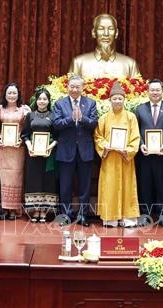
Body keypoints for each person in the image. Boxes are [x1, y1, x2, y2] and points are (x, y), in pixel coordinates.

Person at [52, 74, 99, 226]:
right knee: (65, 186)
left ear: (82, 88)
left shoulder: (90, 103)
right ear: (67, 87)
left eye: (77, 87)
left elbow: (94, 123)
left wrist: (82, 118)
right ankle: (66, 215)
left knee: (85, 186)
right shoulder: (60, 104)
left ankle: (83, 215)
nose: (74, 89)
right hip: (66, 150)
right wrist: (70, 119)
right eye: (72, 86)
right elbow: (56, 124)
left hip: (85, 150)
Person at [94, 82, 141, 227]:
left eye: (120, 98)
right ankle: (110, 218)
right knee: (109, 187)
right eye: (115, 98)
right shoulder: (103, 118)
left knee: (127, 187)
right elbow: (98, 136)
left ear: (124, 100)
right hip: (110, 158)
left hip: (125, 158)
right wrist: (105, 146)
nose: (117, 101)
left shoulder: (131, 117)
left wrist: (128, 150)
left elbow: (135, 137)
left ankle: (128, 218)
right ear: (110, 100)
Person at [134, 79, 163, 227]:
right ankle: (145, 215)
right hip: (145, 155)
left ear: (162, 91)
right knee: (145, 185)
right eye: (152, 90)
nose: (155, 92)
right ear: (147, 91)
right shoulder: (140, 109)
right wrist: (141, 144)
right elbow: (136, 131)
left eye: (157, 90)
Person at [0, 82, 31, 220]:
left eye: (14, 93)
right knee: (3, 176)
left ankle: (15, 209)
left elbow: (27, 128)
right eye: (9, 93)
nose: (11, 95)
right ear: (5, 94)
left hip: (17, 147)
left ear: (18, 94)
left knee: (16, 176)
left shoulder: (24, 109)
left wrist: (21, 140)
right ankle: (5, 208)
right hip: (3, 148)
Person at [22, 87, 59, 222]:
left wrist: (50, 147)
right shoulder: (30, 115)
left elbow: (57, 136)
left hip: (48, 154)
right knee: (34, 180)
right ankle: (35, 210)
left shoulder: (53, 116)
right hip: (33, 154)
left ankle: (44, 210)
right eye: (40, 99)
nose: (42, 101)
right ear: (36, 100)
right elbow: (25, 134)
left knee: (47, 180)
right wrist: (29, 146)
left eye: (45, 99)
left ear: (48, 101)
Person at [68, 13, 141, 78]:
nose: (106, 34)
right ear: (94, 33)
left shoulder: (130, 64)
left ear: (116, 33)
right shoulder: (78, 63)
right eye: (101, 29)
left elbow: (138, 88)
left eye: (111, 29)